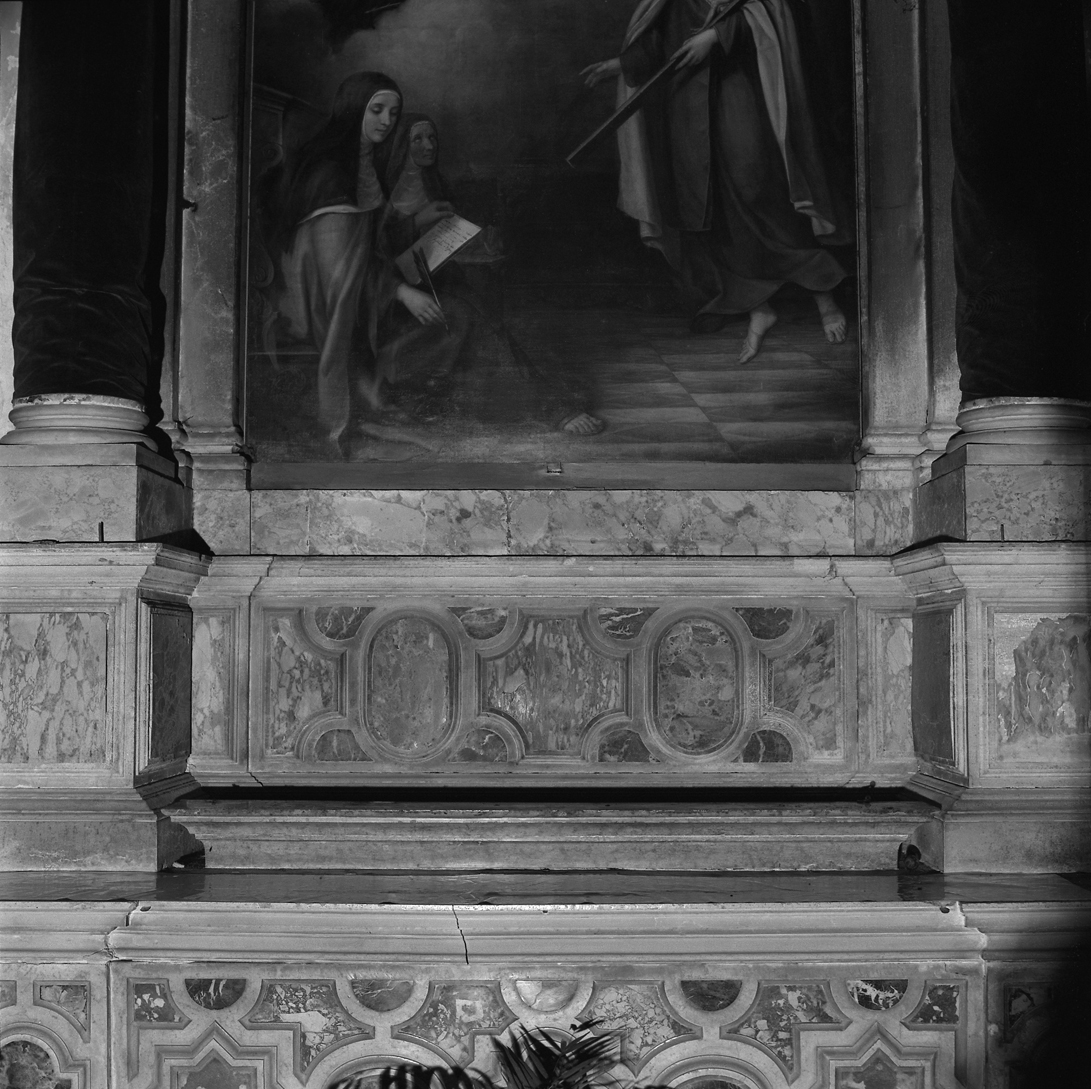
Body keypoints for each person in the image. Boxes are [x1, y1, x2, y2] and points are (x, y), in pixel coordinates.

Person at [582, 0, 852, 363]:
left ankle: (824, 296)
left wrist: (717, 35)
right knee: (713, 207)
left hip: (738, 90)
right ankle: (759, 306)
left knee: (762, 192)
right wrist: (623, 63)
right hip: (687, 106)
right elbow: (661, 35)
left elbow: (773, 13)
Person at [378, 113, 605, 436]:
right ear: (401, 146)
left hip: (434, 278)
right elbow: (370, 253)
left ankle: (542, 402)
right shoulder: (381, 187)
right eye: (417, 139)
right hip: (391, 295)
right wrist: (415, 223)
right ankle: (550, 407)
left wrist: (476, 238)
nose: (428, 146)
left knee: (485, 314)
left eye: (432, 137)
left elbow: (443, 237)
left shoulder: (433, 181)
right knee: (469, 315)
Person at [273, 72, 458, 455]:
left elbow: (367, 244)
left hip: (359, 288)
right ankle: (349, 422)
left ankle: (381, 406)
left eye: (393, 112)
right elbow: (338, 267)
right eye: (377, 110)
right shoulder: (329, 171)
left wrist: (416, 222)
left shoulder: (365, 163)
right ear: (354, 109)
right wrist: (400, 291)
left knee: (457, 313)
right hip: (321, 294)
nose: (387, 121)